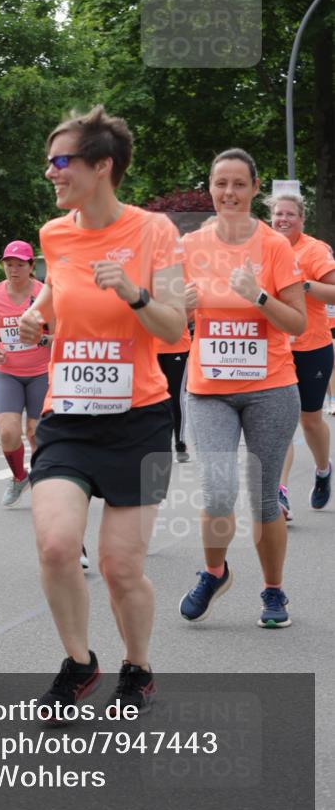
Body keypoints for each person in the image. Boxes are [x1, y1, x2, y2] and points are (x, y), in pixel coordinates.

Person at [19, 106, 186, 716]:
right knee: (58, 546)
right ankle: (79, 662)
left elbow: (173, 327)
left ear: (102, 166)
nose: (50, 172)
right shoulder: (54, 233)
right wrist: (40, 312)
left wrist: (134, 293)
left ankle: (137, 668)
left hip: (140, 420)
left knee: (120, 567)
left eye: (61, 161)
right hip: (68, 416)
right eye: (50, 161)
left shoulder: (154, 232)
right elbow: (60, 286)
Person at [179, 150, 305, 630]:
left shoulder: (274, 246)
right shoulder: (190, 245)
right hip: (209, 388)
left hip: (270, 387)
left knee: (262, 498)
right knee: (217, 490)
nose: (228, 193)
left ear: (255, 189)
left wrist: (258, 295)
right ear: (209, 188)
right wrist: (182, 308)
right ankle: (215, 572)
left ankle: (273, 590)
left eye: (238, 184)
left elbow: (295, 321)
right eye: (219, 183)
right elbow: (169, 327)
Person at [269, 193, 335, 514]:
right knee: (281, 422)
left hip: (312, 347)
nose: (283, 219)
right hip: (274, 349)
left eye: (290, 215)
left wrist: (302, 284)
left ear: (301, 219)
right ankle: (279, 492)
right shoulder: (262, 247)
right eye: (278, 213)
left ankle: (323, 470)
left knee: (310, 421)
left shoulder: (314, 250)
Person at [0, 241, 52, 506]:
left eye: (20, 264)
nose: (13, 269)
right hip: (7, 373)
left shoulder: (44, 293)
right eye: (9, 264)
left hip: (40, 372)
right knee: (8, 433)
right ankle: (20, 477)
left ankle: (44, 485)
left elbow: (61, 335)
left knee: (35, 432)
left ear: (31, 266)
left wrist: (41, 339)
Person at [156, 327, 191, 462]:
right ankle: (162, 446)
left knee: (176, 398)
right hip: (152, 348)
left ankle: (180, 443)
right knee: (156, 400)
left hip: (177, 347)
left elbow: (190, 310)